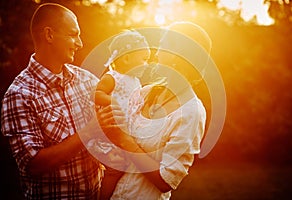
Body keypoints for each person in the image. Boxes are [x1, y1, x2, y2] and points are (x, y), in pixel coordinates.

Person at [1, 3, 104, 199]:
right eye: (73, 34)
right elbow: (32, 164)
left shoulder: (87, 80)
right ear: (49, 35)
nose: (80, 43)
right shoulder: (19, 94)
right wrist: (89, 132)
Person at [97, 21, 209, 199]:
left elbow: (166, 181)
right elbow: (115, 127)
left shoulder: (191, 112)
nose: (155, 53)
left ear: (176, 55)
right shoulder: (145, 92)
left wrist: (124, 141)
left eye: (162, 45)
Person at [91, 30, 151, 199]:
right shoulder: (113, 77)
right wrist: (112, 101)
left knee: (126, 165)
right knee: (114, 169)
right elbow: (97, 93)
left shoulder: (136, 82)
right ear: (126, 58)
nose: (146, 64)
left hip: (127, 132)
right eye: (143, 59)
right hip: (112, 131)